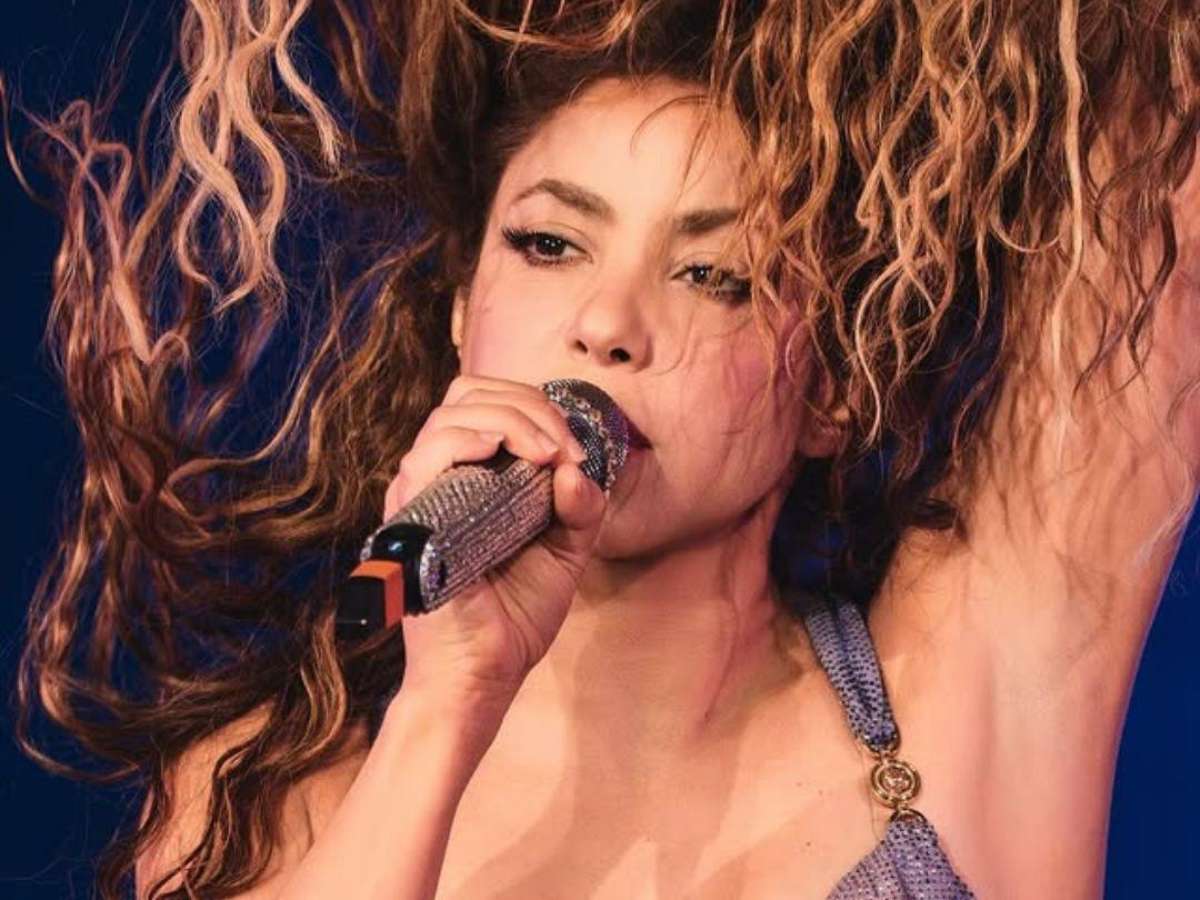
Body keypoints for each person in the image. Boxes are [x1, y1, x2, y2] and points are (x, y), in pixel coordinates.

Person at [8, 1, 1199, 898]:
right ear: (461, 314)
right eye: (550, 245)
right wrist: (443, 709)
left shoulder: (977, 683)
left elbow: (1159, 137)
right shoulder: (254, 800)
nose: (609, 322)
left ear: (830, 388)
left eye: (715, 273)